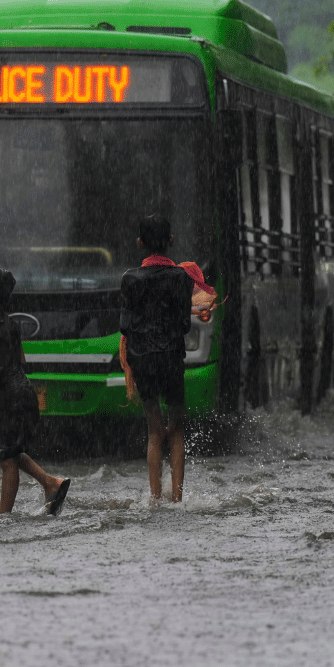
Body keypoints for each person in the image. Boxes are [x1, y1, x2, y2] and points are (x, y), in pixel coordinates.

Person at [0, 269, 71, 516]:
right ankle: (50, 483)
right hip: (23, 392)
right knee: (1, 447)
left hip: (10, 400)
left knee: (7, 461)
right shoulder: (11, 324)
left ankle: (2, 517)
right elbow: (17, 362)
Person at [120, 215, 194, 503]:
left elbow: (125, 327)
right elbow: (184, 325)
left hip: (143, 361)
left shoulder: (129, 279)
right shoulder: (181, 277)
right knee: (176, 429)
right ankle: (176, 498)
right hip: (172, 358)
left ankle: (154, 498)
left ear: (140, 243)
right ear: (171, 241)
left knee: (154, 428)